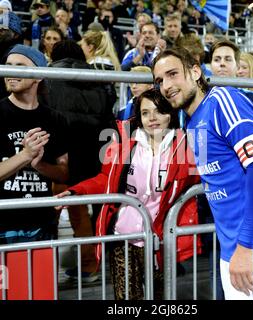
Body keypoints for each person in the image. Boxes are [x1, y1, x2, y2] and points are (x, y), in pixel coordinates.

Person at [152, 47, 253, 300]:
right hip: (233, 251)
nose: (166, 85)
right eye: (159, 80)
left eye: (173, 74)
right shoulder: (192, 121)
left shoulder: (223, 101)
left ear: (196, 71)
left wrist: (245, 246)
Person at [56, 88, 201, 300]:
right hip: (123, 236)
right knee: (126, 299)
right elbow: (105, 180)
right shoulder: (124, 147)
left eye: (159, 111)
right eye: (145, 113)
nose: (152, 118)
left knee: (160, 297)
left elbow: (206, 176)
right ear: (138, 118)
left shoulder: (186, 147)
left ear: (170, 113)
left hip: (160, 239)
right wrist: (77, 191)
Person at [47, 39, 117, 282]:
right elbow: (109, 119)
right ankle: (90, 266)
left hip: (57, 157)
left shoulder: (46, 76)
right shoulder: (99, 79)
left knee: (50, 213)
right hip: (91, 156)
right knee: (81, 212)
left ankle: (43, 269)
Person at [0, 44, 69, 244]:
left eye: (19, 66)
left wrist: (39, 165)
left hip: (42, 222)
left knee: (42, 277)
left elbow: (64, 173)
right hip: (4, 224)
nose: (10, 72)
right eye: (8, 65)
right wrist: (26, 155)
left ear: (38, 76)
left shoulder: (55, 119)